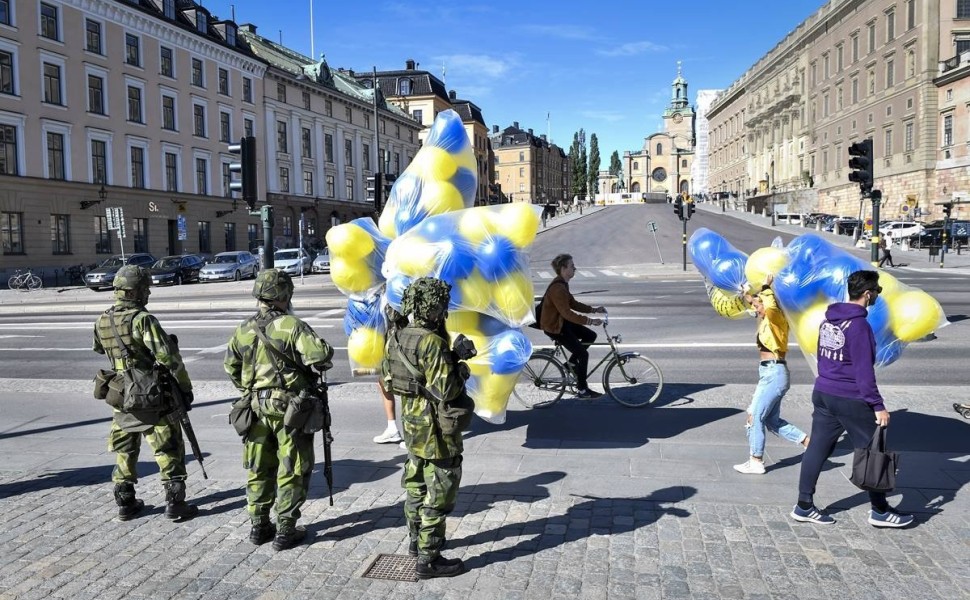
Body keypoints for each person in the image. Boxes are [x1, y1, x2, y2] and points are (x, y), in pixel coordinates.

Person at [792, 270, 914, 528]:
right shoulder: (859, 326)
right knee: (873, 451)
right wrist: (878, 406)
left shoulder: (828, 322)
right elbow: (863, 372)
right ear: (867, 294)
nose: (876, 297)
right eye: (876, 292)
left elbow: (822, 355)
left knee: (817, 448)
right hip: (850, 397)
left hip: (824, 393)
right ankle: (880, 511)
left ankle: (804, 505)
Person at [225, 269, 335, 550]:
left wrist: (251, 389)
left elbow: (231, 367)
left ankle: (259, 526)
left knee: (259, 466)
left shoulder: (243, 328)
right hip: (289, 409)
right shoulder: (292, 325)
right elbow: (319, 355)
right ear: (284, 295)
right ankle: (285, 529)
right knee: (292, 467)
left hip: (254, 406)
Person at [93, 265, 198, 522]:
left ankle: (125, 502)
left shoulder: (103, 319)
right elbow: (169, 357)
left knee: (125, 448)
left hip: (120, 392)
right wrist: (185, 388)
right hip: (150, 392)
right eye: (146, 288)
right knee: (167, 445)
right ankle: (175, 503)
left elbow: (98, 348)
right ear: (135, 292)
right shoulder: (143, 319)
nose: (149, 292)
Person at [382, 277, 470, 579]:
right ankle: (429, 559)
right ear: (433, 307)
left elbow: (388, 380)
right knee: (440, 490)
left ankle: (415, 542)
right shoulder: (431, 342)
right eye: (442, 306)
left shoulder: (397, 335)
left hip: (411, 422)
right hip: (434, 426)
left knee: (416, 483)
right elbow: (446, 390)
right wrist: (460, 364)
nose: (444, 311)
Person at [734, 278, 809, 475]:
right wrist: (747, 295)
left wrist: (767, 286)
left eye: (759, 306)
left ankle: (756, 460)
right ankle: (808, 442)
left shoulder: (776, 318)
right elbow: (756, 303)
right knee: (772, 421)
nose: (756, 309)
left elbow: (769, 305)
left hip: (774, 373)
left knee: (755, 416)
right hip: (770, 373)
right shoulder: (768, 319)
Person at [539, 253, 607, 398]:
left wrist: (594, 310)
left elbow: (573, 304)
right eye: (572, 266)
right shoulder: (558, 288)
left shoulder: (563, 284)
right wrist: (590, 321)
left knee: (590, 335)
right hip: (555, 327)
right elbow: (567, 313)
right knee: (583, 354)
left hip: (561, 323)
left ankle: (570, 364)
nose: (575, 268)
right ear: (564, 269)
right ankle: (582, 389)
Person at [373, 304, 409, 447]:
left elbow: (395, 314)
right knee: (383, 382)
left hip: (403, 340)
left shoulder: (401, 286)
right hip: (390, 341)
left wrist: (386, 302)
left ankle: (412, 433)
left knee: (408, 385)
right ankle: (392, 427)